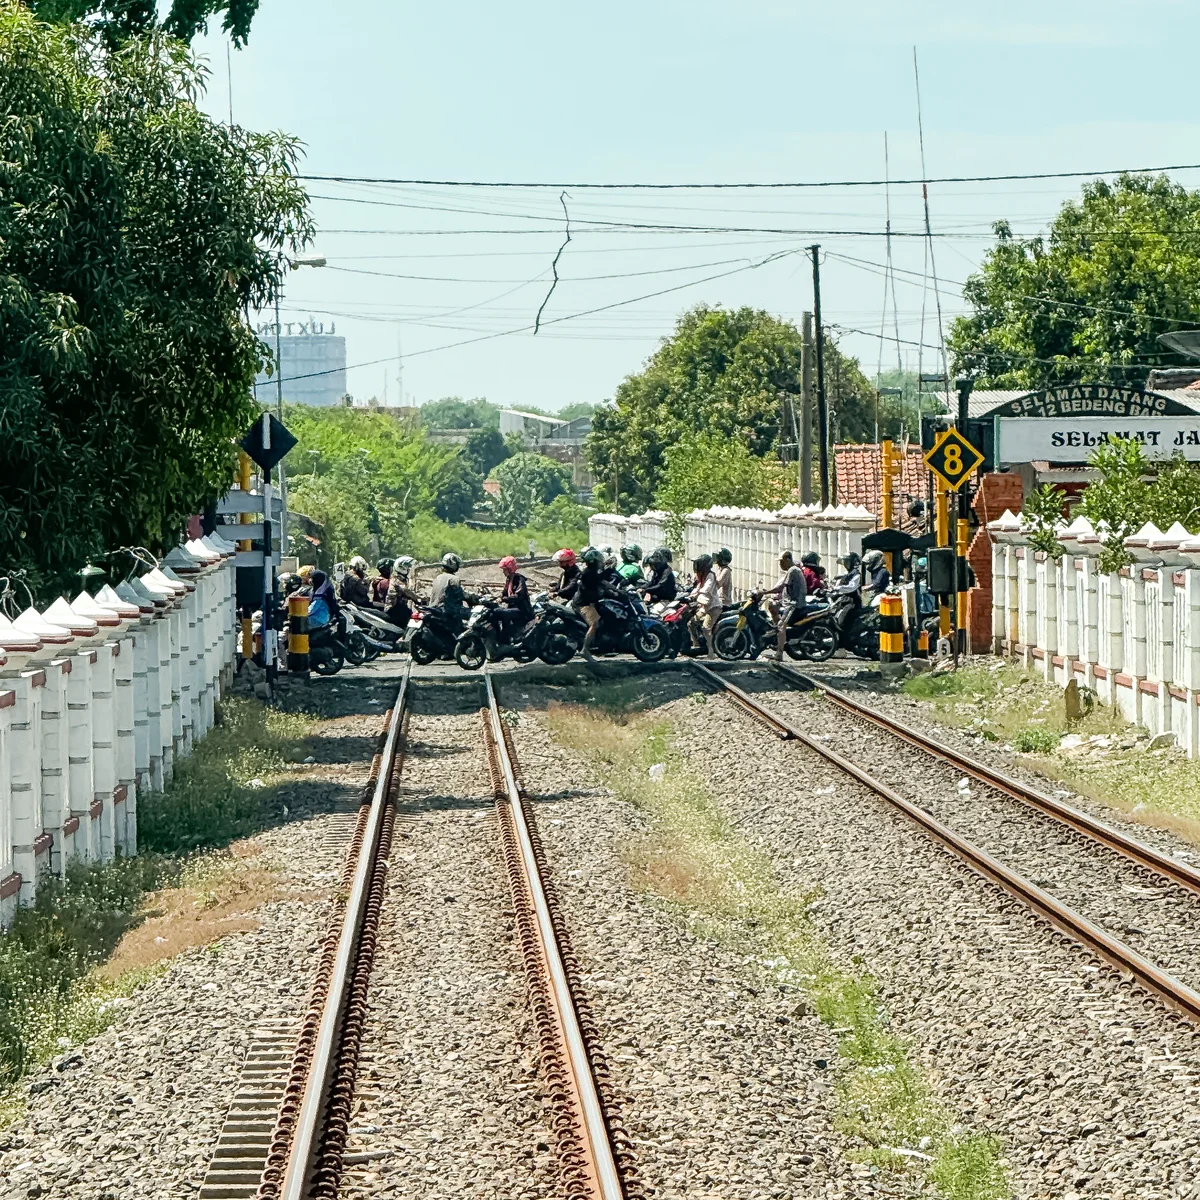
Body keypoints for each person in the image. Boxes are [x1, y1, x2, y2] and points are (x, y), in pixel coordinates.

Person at [761, 550, 807, 661]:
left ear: (787, 560)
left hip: (793, 604)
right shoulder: (793, 570)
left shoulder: (793, 571)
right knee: (773, 608)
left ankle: (779, 653)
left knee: (781, 625)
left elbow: (780, 588)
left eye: (782, 562)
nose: (780, 564)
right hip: (788, 602)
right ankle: (778, 640)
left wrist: (764, 593)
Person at [495, 555, 534, 646]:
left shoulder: (519, 579)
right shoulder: (509, 579)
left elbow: (518, 596)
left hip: (522, 610)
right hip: (513, 608)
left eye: (504, 569)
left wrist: (503, 599)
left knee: (501, 613)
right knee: (494, 612)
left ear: (509, 568)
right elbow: (504, 593)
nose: (503, 572)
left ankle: (505, 640)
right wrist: (496, 598)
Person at [688, 553, 720, 659]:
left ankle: (711, 652)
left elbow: (706, 588)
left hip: (713, 607)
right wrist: (689, 595)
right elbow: (697, 587)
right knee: (691, 622)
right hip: (704, 606)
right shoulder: (702, 576)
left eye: (698, 563)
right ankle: (697, 645)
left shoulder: (710, 575)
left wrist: (696, 594)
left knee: (706, 628)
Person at [577, 546, 606, 662]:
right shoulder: (589, 574)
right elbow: (601, 585)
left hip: (585, 602)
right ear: (593, 562)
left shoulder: (590, 572)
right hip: (584, 604)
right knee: (595, 624)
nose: (600, 563)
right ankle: (585, 650)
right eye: (598, 561)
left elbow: (603, 583)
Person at [429, 552, 469, 628]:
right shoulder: (454, 579)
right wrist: (474, 598)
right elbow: (461, 595)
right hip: (448, 612)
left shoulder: (438, 577)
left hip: (434, 609)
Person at [385, 556, 419, 628]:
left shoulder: (402, 579)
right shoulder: (397, 580)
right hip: (393, 609)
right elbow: (407, 592)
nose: (410, 569)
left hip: (399, 607)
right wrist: (419, 599)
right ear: (401, 567)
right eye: (408, 567)